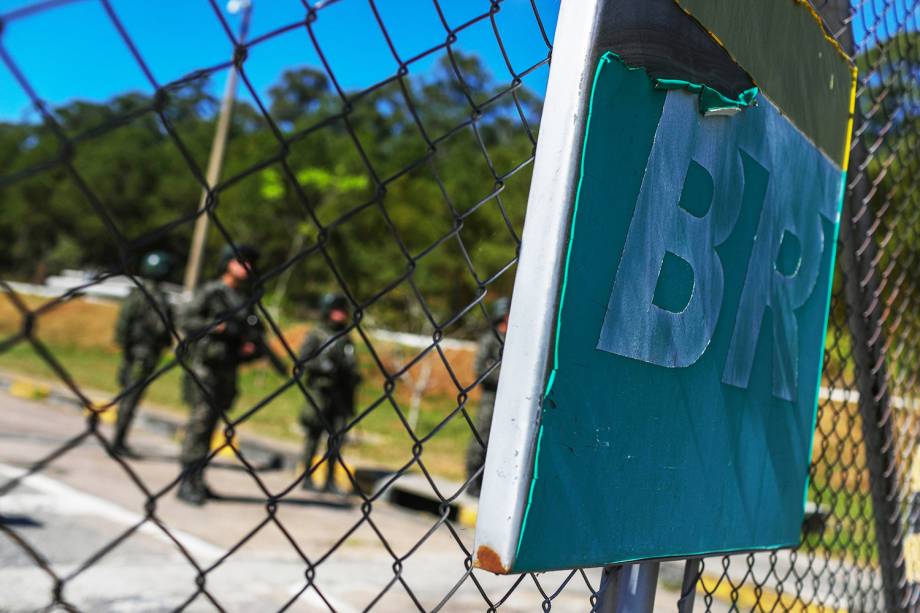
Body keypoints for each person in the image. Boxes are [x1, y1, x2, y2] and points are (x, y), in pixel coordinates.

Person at [176, 244, 284, 505]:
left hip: (227, 369)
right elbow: (185, 320)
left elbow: (250, 335)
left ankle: (198, 478)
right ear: (227, 263)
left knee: (211, 425)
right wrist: (217, 327)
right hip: (205, 368)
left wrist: (249, 348)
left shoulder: (245, 300)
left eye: (249, 263)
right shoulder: (212, 292)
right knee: (199, 424)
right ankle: (186, 481)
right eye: (240, 261)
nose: (246, 267)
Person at [112, 251, 175, 457]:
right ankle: (118, 441)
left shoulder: (154, 296)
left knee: (132, 395)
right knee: (131, 396)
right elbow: (124, 325)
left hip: (147, 352)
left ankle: (119, 439)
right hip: (139, 352)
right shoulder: (143, 295)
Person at [298, 293, 361, 494]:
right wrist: (321, 366)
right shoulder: (317, 334)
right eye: (336, 310)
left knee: (337, 437)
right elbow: (303, 359)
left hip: (341, 394)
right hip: (320, 392)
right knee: (314, 434)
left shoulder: (346, 337)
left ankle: (330, 479)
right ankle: (306, 475)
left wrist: (353, 375)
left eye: (343, 311)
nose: (340, 315)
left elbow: (351, 362)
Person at [465, 297, 509, 497]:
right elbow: (479, 369)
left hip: (510, 401)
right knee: (481, 436)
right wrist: (504, 375)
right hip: (491, 398)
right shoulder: (491, 339)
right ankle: (473, 479)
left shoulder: (515, 339)